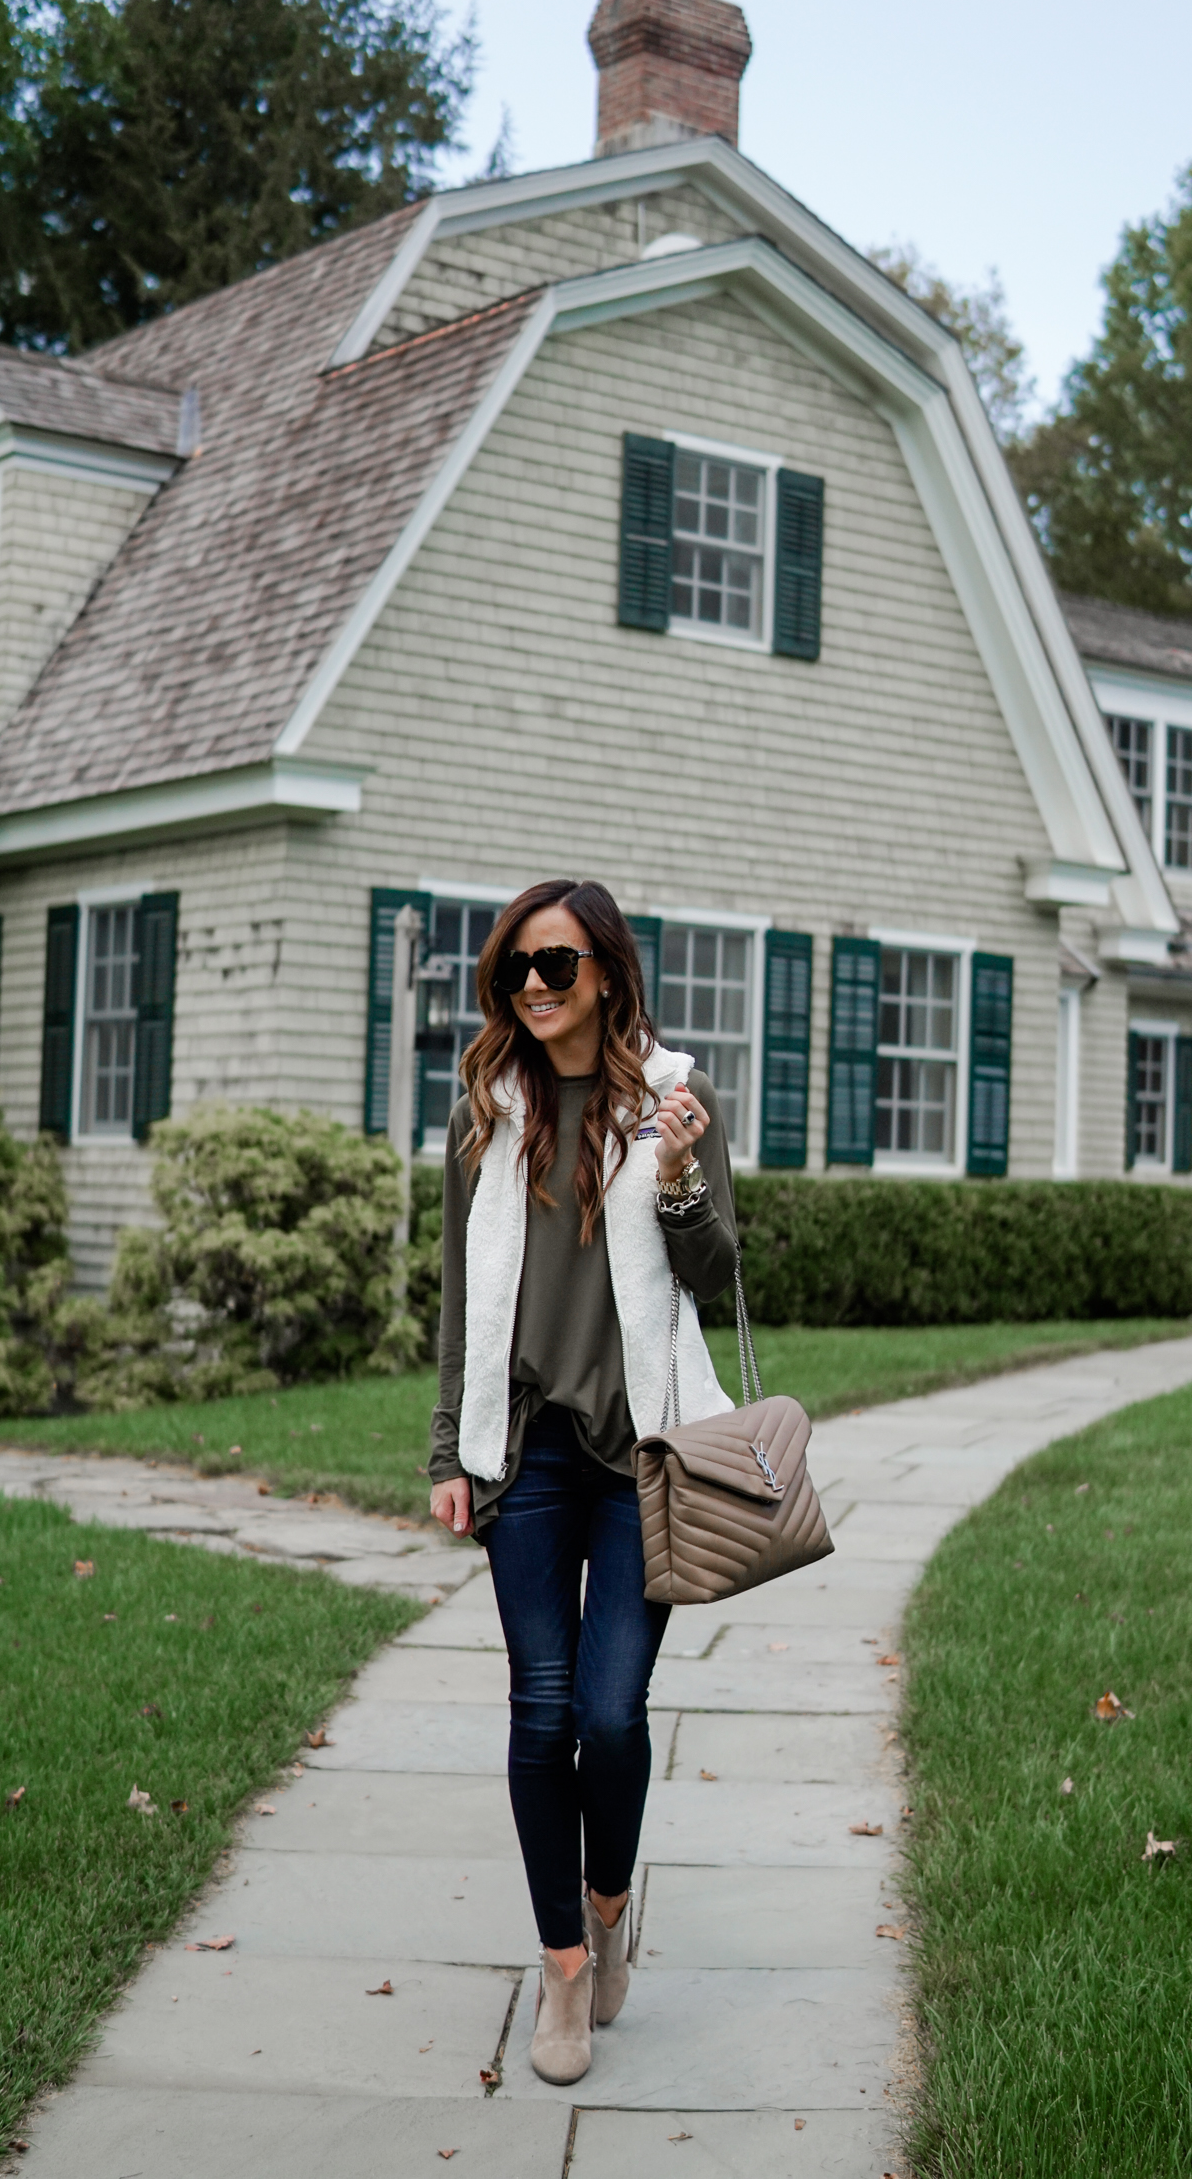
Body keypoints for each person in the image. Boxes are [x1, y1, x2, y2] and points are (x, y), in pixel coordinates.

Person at [428, 877, 740, 2084]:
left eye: (556, 966)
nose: (534, 990)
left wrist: (679, 1174)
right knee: (539, 1712)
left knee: (610, 1719)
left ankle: (609, 1901)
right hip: (529, 1457)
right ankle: (564, 1970)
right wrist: (450, 1449)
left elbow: (713, 1270)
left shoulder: (672, 1098)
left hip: (640, 1455)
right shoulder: (485, 1112)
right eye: (515, 970)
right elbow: (461, 1294)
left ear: (606, 971)